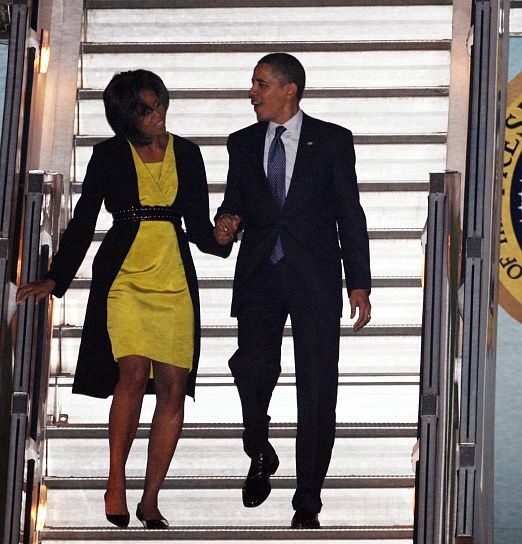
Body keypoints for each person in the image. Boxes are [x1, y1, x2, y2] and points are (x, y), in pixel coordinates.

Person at [16, 70, 229, 529]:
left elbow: (198, 227)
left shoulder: (188, 153)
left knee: (174, 386)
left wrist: (222, 235)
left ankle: (151, 499)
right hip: (126, 277)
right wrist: (55, 278)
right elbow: (82, 221)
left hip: (173, 278)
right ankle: (116, 482)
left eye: (162, 104)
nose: (160, 115)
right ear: (126, 116)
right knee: (131, 374)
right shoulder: (108, 154)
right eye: (149, 109)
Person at [213, 53, 371, 529]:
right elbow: (234, 202)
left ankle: (308, 500)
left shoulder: (333, 140)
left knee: (318, 387)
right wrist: (226, 224)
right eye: (253, 84)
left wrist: (359, 283)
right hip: (261, 274)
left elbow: (350, 213)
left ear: (290, 90)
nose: (253, 92)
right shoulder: (241, 142)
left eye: (261, 84)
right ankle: (258, 449)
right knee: (253, 370)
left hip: (316, 277)